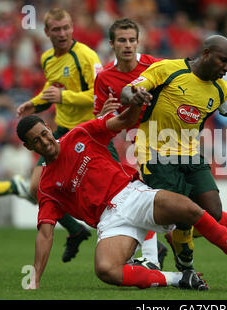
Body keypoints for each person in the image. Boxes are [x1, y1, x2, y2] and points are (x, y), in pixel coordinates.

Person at [19, 102, 227, 290]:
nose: (45, 142)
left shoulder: (79, 134)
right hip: (110, 221)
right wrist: (36, 278)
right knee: (106, 270)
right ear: (30, 147)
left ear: (50, 129)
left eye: (45, 134)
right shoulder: (47, 185)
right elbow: (45, 232)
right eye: (37, 141)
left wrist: (134, 103)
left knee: (192, 210)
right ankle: (178, 279)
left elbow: (120, 122)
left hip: (132, 195)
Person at [120, 35, 227, 272]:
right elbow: (127, 91)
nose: (226, 68)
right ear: (206, 54)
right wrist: (135, 95)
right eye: (223, 61)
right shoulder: (168, 69)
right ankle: (165, 256)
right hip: (154, 152)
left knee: (212, 212)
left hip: (190, 153)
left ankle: (175, 251)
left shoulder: (220, 88)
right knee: (176, 212)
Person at [0, 8, 103, 262]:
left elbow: (99, 95)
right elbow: (52, 92)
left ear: (72, 28)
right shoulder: (48, 58)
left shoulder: (86, 56)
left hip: (87, 134)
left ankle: (146, 250)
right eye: (56, 29)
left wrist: (65, 97)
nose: (62, 33)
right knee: (36, 188)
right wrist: (34, 104)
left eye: (66, 28)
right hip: (59, 133)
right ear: (47, 32)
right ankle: (75, 230)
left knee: (104, 196)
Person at [93, 18, 166, 269]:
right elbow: (100, 120)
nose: (128, 45)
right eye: (122, 41)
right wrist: (103, 113)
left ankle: (152, 254)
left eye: (132, 40)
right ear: (111, 44)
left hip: (164, 138)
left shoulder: (155, 66)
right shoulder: (104, 78)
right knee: (141, 194)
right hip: (131, 142)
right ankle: (151, 257)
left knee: (161, 200)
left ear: (138, 42)